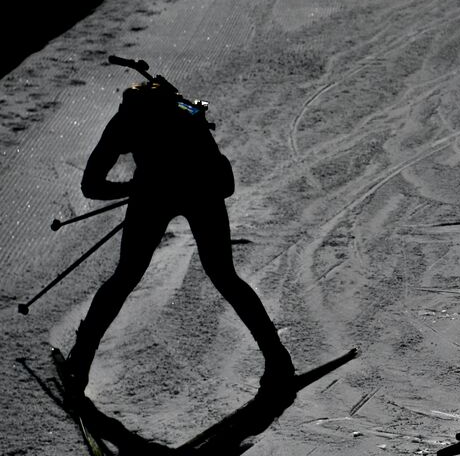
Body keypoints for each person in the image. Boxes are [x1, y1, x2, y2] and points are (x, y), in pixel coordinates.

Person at [63, 78, 294, 397]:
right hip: (198, 191)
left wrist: (134, 189)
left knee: (125, 278)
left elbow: (92, 185)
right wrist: (142, 188)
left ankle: (80, 364)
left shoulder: (127, 120)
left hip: (165, 194)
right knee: (224, 276)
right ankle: (277, 359)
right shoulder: (184, 111)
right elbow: (221, 178)